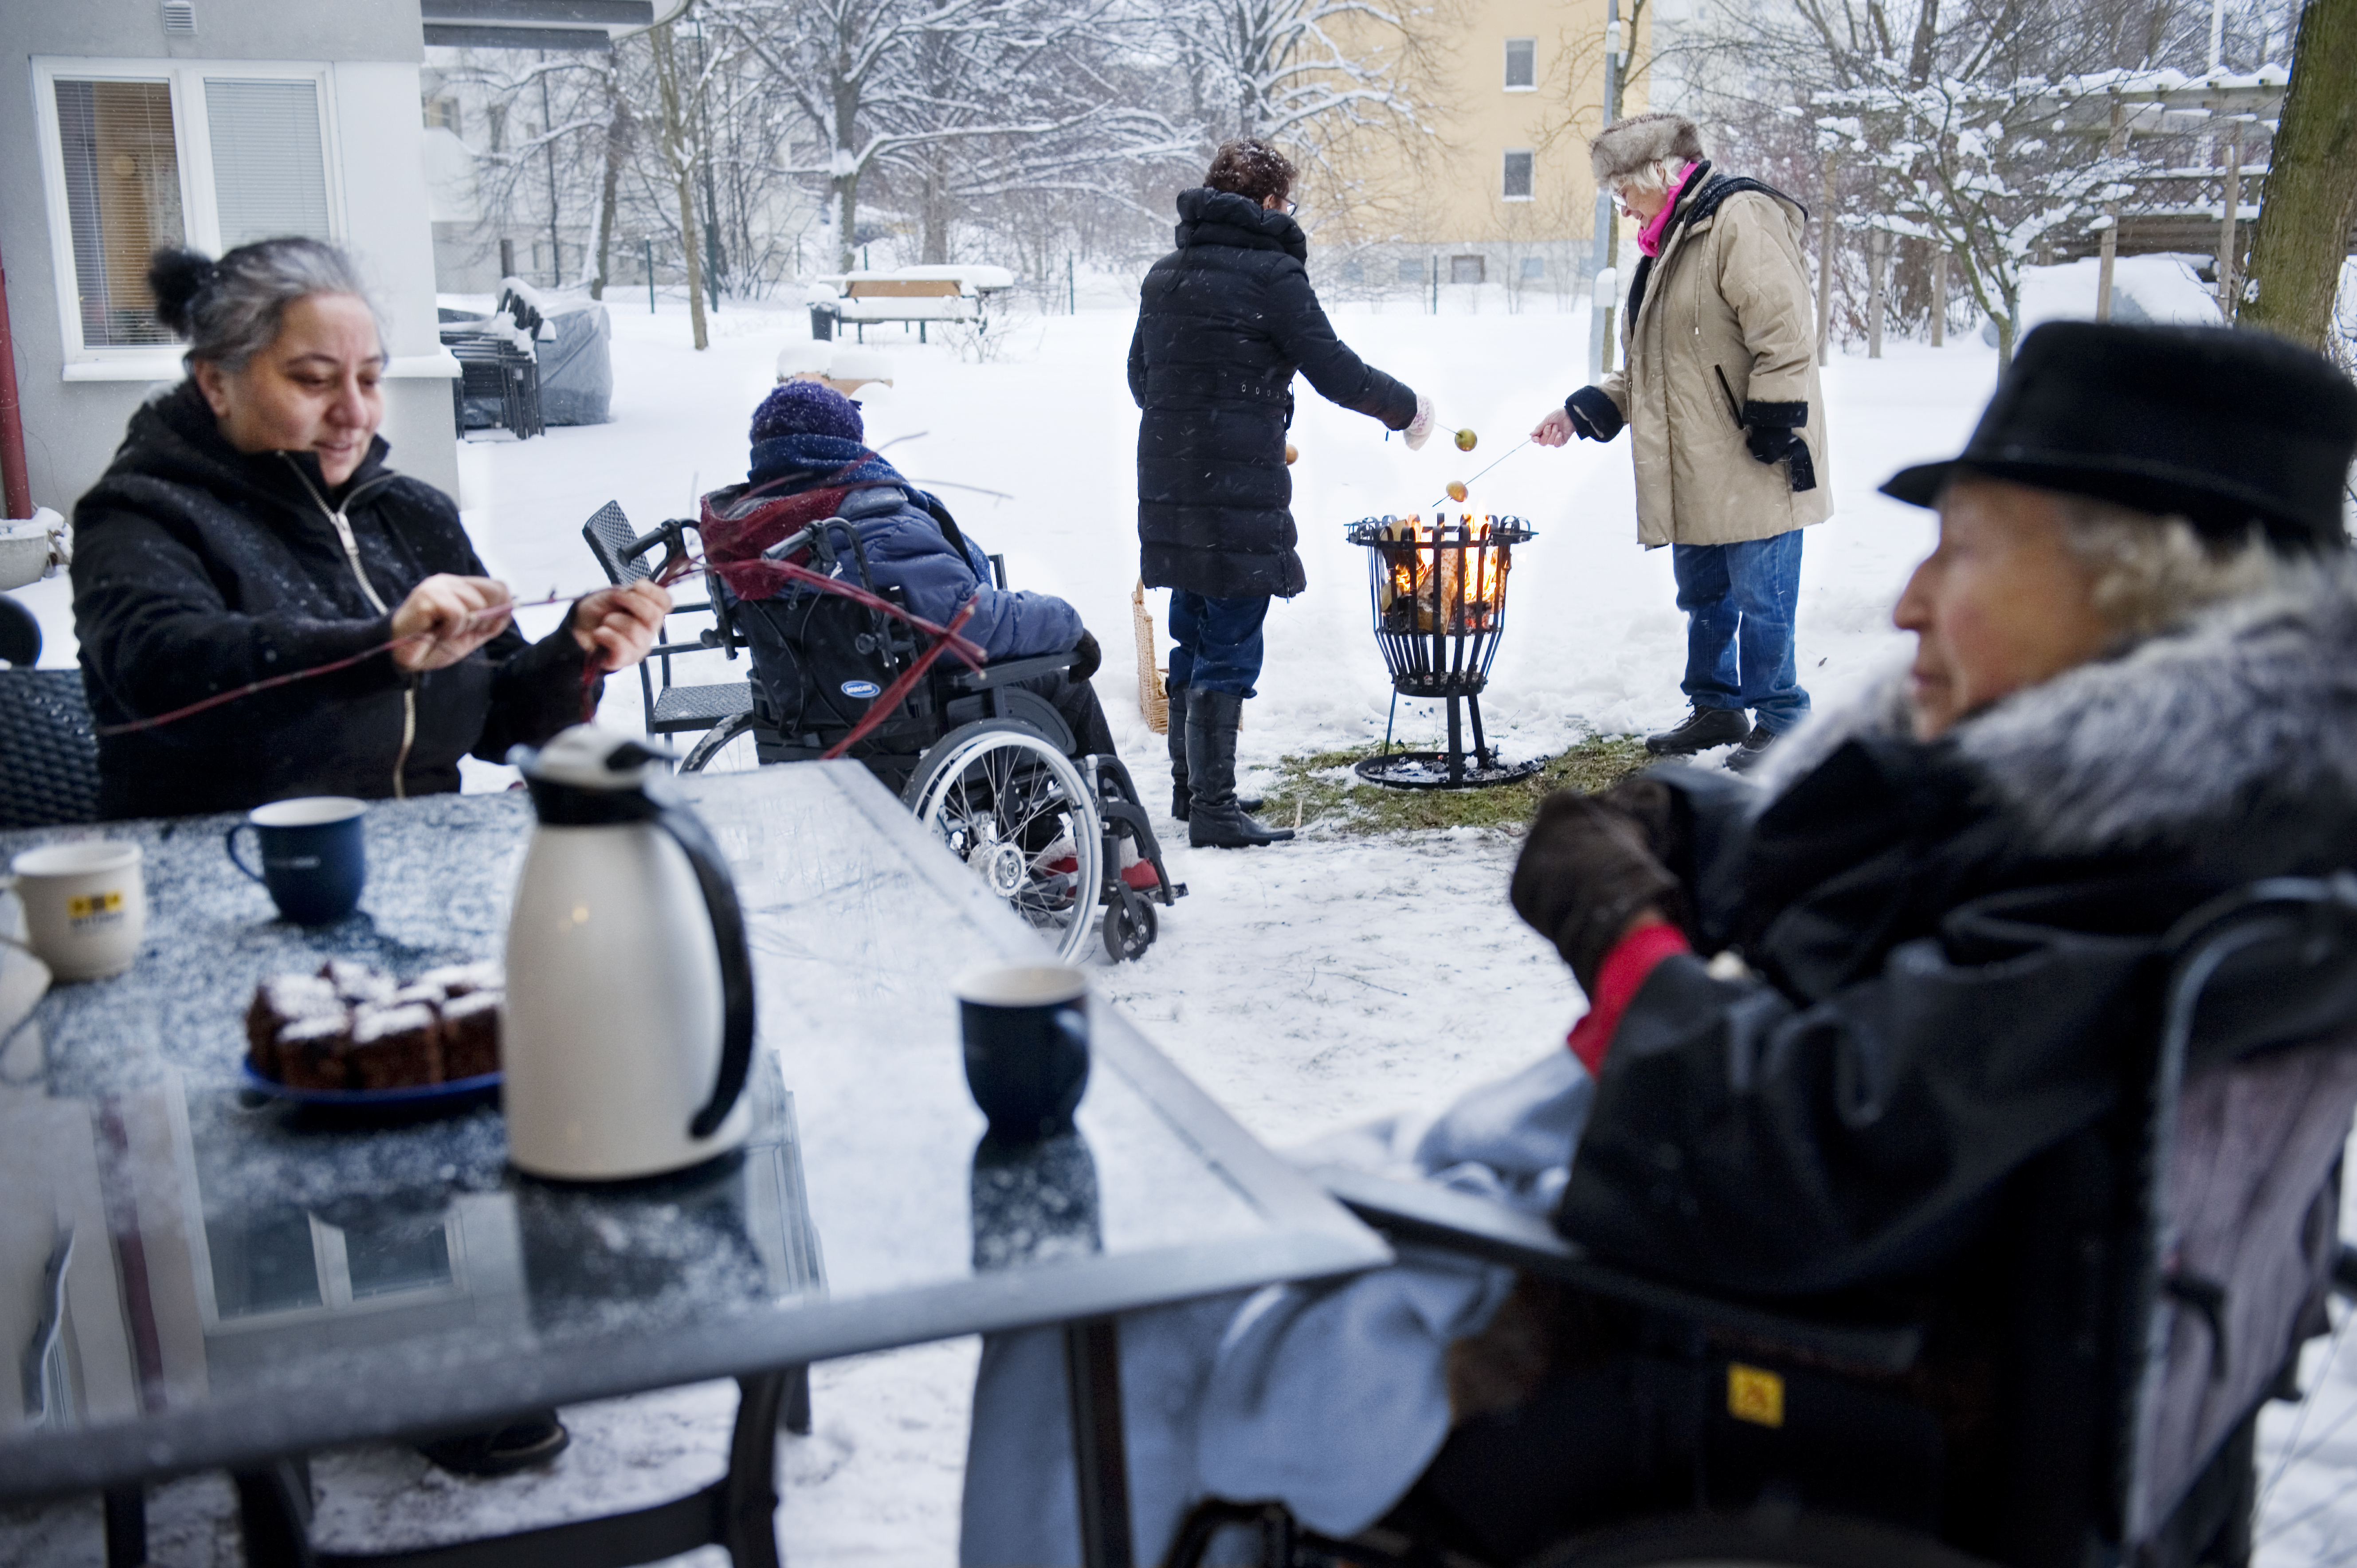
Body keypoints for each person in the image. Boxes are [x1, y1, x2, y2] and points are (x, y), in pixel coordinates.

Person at [961, 323, 2357, 1567]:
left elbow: (1795, 1146)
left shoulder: (2137, 875)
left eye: (1967, 550)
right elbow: (1920, 938)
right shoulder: (2185, 821)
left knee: (1103, 1296)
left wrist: (1615, 922)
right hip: (1860, 1301)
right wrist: (1696, 825)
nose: (1910, 602)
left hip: (1753, 1352)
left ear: (2138, 595)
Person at [73, 239, 668, 821]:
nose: (355, 413)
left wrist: (574, 654)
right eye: (313, 380)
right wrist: (381, 648)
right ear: (215, 384)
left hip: (416, 876)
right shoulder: (139, 514)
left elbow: (500, 720)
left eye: (370, 379)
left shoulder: (412, 516)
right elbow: (166, 675)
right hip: (226, 880)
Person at [1131, 137, 1434, 849]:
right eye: (1285, 202)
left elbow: (1143, 379)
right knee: (1232, 640)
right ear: (1268, 203)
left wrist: (1204, 419)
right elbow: (1334, 369)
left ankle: (1192, 793)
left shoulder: (1165, 275)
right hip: (1235, 485)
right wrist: (1409, 410)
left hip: (1175, 484)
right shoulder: (1271, 275)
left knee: (1193, 633)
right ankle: (1215, 809)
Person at [1534, 113, 1828, 775]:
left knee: (1762, 598)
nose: (1620, 202)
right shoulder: (1669, 240)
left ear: (1658, 175)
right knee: (1705, 598)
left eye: (1622, 188)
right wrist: (1584, 411)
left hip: (1755, 451)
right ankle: (1718, 706)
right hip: (1696, 460)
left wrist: (1776, 420)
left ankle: (1783, 718)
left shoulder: (1738, 218)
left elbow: (1786, 330)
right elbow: (1651, 362)